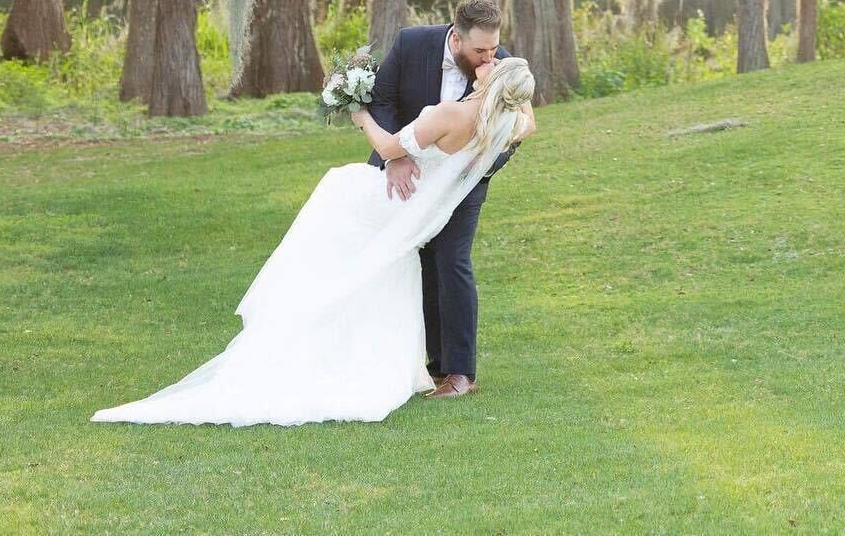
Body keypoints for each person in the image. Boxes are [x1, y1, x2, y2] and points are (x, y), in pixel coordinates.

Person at [91, 54, 536, 427]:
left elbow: (388, 149)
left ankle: (296, 344)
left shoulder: (452, 113)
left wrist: (358, 112)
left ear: (494, 81)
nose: (487, 60)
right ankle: (356, 359)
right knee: (359, 267)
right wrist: (516, 95)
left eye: (494, 63)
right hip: (415, 212)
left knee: (334, 195)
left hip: (391, 199)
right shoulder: (505, 123)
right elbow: (527, 121)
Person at [365, 0, 521, 399]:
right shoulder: (411, 43)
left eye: (494, 48)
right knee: (417, 260)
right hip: (406, 173)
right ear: (456, 39)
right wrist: (396, 158)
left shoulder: (501, 66)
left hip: (464, 181)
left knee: (452, 259)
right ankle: (430, 365)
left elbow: (516, 130)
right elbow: (381, 100)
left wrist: (480, 166)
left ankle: (460, 373)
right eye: (480, 50)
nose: (490, 58)